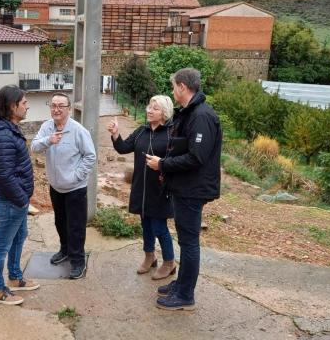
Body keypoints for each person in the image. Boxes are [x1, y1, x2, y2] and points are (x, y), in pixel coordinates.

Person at [146, 68, 222, 311]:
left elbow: (196, 157)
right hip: (183, 188)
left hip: (193, 190)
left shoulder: (201, 116)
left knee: (189, 243)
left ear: (182, 87)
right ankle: (181, 284)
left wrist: (163, 164)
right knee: (185, 240)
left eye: (173, 86)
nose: (172, 90)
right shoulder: (190, 114)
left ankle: (185, 294)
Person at [107, 95, 176, 280]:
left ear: (164, 113)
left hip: (161, 190)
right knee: (145, 225)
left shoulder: (172, 133)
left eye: (155, 108)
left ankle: (169, 262)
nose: (149, 110)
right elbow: (123, 148)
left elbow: (177, 161)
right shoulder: (141, 131)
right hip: (142, 188)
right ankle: (149, 257)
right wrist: (115, 134)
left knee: (159, 227)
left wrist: (162, 163)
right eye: (149, 106)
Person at [0, 85, 39, 306]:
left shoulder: (9, 129)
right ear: (12, 106)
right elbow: (4, 176)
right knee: (1, 246)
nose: (27, 106)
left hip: (15, 201)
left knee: (19, 236)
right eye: (24, 103)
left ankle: (15, 277)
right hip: (10, 202)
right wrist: (22, 199)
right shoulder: (4, 136)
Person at [31, 93, 96, 279]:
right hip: (56, 187)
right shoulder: (46, 127)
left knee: (76, 226)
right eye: (53, 105)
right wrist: (48, 140)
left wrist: (76, 176)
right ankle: (65, 250)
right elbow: (34, 147)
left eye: (61, 106)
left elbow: (90, 156)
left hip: (75, 188)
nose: (56, 109)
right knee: (60, 222)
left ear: (68, 109)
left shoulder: (78, 130)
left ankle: (78, 260)